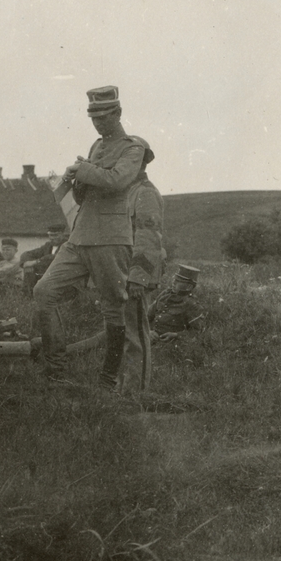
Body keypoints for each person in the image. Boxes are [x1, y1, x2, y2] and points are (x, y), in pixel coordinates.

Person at [33, 85, 151, 387]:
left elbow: (118, 180)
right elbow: (84, 195)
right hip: (80, 237)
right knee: (44, 291)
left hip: (111, 239)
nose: (98, 123)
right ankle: (56, 370)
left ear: (118, 113)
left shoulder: (133, 148)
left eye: (104, 117)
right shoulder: (96, 146)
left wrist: (84, 170)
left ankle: (108, 379)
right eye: (94, 118)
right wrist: (74, 181)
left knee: (114, 309)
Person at [119, 162, 165, 393]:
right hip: (123, 272)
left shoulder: (144, 193)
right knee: (124, 332)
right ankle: (123, 387)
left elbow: (148, 237)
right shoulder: (129, 191)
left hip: (135, 276)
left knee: (135, 333)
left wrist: (138, 277)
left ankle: (135, 391)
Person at [151, 265, 205, 339]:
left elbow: (196, 332)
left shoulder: (192, 304)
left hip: (172, 342)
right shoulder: (165, 294)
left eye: (178, 281)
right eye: (174, 279)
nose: (173, 282)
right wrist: (148, 331)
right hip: (151, 336)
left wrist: (176, 335)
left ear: (189, 287)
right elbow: (147, 316)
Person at [20, 224, 69, 293]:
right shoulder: (47, 245)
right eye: (50, 235)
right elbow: (27, 253)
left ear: (62, 234)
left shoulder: (67, 245)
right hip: (44, 275)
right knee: (29, 270)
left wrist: (36, 262)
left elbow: (54, 257)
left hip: (59, 275)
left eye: (55, 235)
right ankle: (28, 295)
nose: (52, 238)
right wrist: (26, 263)